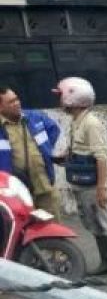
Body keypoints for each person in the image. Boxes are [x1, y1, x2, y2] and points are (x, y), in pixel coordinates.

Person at [53, 77, 107, 276]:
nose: (59, 100)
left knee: (105, 222)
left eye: (61, 96)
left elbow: (100, 157)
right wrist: (65, 157)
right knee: (93, 224)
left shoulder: (91, 123)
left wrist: (102, 188)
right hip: (80, 182)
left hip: (92, 184)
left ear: (73, 98)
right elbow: (80, 149)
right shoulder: (76, 121)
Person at [0, 86, 61, 215]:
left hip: (45, 187)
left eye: (16, 99)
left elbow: (53, 129)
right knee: (26, 230)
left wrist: (47, 150)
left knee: (53, 228)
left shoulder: (34, 117)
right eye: (11, 102)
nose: (17, 103)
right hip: (17, 193)